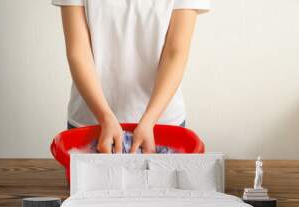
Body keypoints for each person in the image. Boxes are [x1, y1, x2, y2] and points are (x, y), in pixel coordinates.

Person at [52, 0, 210, 153]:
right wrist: (105, 117)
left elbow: (175, 54)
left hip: (161, 125)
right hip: (91, 123)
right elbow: (79, 53)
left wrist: (149, 120)